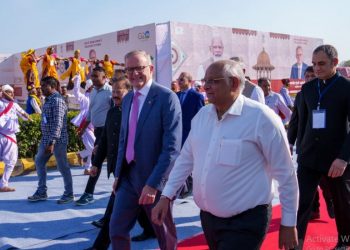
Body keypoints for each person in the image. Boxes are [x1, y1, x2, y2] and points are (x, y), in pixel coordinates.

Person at [152, 59, 299, 250]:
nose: (206, 86)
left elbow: (286, 174)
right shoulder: (203, 116)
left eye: (213, 81)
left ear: (235, 83)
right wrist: (166, 196)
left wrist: (289, 222)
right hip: (208, 220)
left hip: (246, 222)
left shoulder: (261, 118)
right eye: (205, 81)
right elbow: (186, 159)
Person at [109, 50, 182, 250]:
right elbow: (124, 139)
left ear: (150, 68)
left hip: (155, 179)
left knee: (163, 232)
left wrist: (154, 184)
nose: (134, 74)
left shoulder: (166, 98)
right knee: (116, 229)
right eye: (130, 69)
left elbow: (172, 147)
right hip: (128, 177)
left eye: (139, 68)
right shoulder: (127, 99)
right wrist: (118, 174)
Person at [289, 44, 350, 249]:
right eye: (314, 64)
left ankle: (344, 243)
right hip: (308, 157)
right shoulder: (307, 89)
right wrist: (292, 144)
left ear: (335, 62)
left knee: (342, 204)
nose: (316, 68)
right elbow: (300, 121)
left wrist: (344, 157)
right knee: (302, 202)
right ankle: (297, 243)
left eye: (321, 63)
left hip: (336, 159)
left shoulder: (346, 88)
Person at [88, 77, 155, 249]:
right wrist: (95, 163)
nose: (115, 94)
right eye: (114, 90)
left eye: (119, 91)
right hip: (118, 168)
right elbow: (103, 141)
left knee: (113, 212)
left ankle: (98, 246)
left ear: (129, 92)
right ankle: (150, 229)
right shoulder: (111, 112)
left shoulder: (136, 112)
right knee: (137, 203)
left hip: (132, 169)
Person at [288, 66, 334, 221]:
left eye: (312, 76)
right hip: (305, 147)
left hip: (325, 147)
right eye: (306, 76)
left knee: (325, 181)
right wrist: (290, 142)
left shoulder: (328, 94)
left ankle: (331, 201)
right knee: (306, 184)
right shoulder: (301, 95)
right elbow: (295, 121)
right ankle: (313, 210)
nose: (308, 79)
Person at [28, 77, 74, 204]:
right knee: (39, 161)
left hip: (57, 141)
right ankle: (42, 191)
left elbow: (58, 123)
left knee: (62, 166)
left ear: (52, 86)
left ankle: (69, 194)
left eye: (44, 86)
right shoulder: (48, 100)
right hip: (46, 139)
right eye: (41, 86)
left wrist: (52, 142)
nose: (41, 89)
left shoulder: (57, 101)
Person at [75, 67, 112, 206]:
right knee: (99, 162)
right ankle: (89, 193)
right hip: (98, 131)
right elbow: (90, 113)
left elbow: (115, 114)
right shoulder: (93, 91)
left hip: (108, 132)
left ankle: (88, 193)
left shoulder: (111, 92)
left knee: (98, 162)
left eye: (97, 76)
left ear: (105, 77)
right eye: (92, 76)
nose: (94, 78)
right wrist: (83, 128)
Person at [0, 85, 31, 192]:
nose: (11, 94)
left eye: (12, 92)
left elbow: (24, 115)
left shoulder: (14, 104)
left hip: (10, 136)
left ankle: (3, 185)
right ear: (3, 93)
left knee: (11, 161)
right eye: (8, 92)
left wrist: (26, 115)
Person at [70, 76, 95, 175]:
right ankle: (82, 155)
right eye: (93, 86)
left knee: (93, 147)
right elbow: (76, 92)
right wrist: (77, 80)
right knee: (93, 147)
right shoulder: (84, 98)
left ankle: (87, 168)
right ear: (89, 87)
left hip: (94, 126)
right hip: (84, 126)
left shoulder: (96, 97)